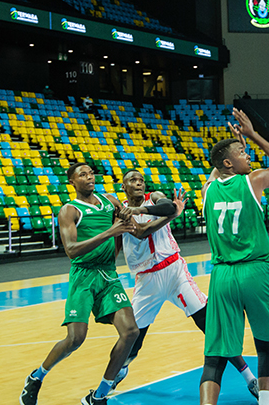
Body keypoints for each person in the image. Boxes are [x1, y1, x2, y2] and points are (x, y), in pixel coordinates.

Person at [19, 162, 176, 405]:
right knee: (75, 338)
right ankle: (36, 377)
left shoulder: (110, 202)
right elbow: (72, 250)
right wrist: (110, 232)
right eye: (82, 175)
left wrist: (170, 215)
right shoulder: (69, 211)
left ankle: (99, 394)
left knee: (131, 332)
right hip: (83, 276)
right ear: (72, 182)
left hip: (108, 275)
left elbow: (136, 231)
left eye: (91, 173)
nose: (89, 177)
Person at [113, 171, 259, 399]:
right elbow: (140, 232)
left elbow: (168, 207)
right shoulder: (121, 211)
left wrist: (169, 211)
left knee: (210, 326)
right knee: (133, 339)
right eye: (133, 180)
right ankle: (120, 369)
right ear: (123, 186)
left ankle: (250, 378)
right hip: (146, 279)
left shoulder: (154, 197)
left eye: (141, 180)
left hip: (174, 271)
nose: (139, 183)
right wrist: (172, 216)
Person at [199, 108, 269, 405]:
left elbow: (216, 169)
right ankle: (266, 402)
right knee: (264, 345)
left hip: (222, 276)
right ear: (228, 163)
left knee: (215, 355)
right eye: (242, 152)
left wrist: (235, 149)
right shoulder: (253, 181)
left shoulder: (208, 190)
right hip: (254, 272)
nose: (247, 155)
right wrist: (251, 134)